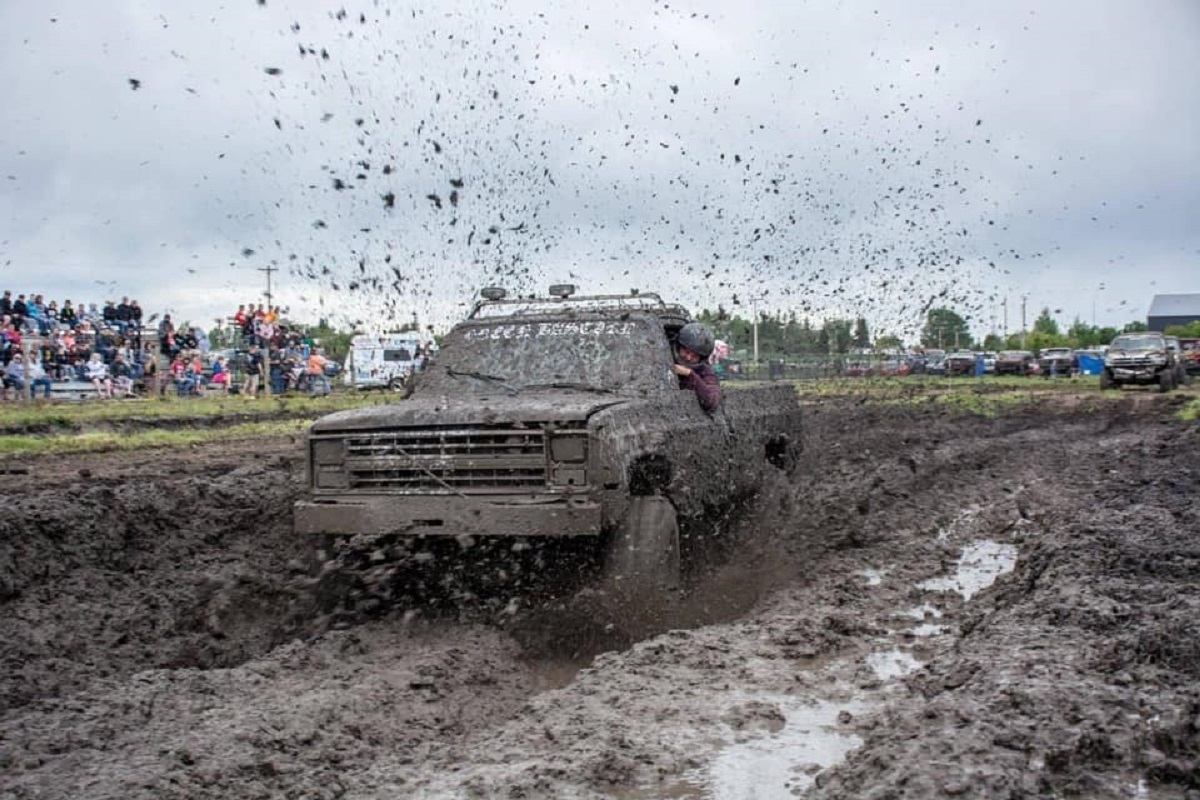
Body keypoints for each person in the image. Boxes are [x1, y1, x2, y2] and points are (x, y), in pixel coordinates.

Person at [672, 322, 721, 413]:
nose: (688, 357)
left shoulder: (705, 372)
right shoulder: (666, 360)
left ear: (701, 358)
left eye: (694, 356)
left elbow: (712, 401)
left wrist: (690, 374)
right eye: (686, 351)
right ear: (678, 348)